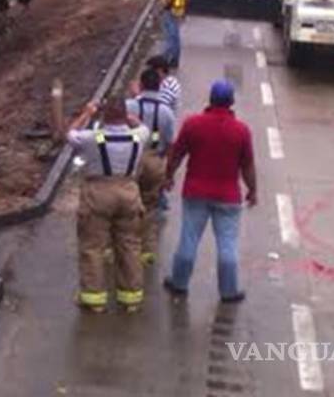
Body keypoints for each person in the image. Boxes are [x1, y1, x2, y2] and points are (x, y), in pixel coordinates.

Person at [163, 80, 257, 303]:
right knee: (227, 245)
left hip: (195, 192)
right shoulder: (241, 131)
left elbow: (176, 154)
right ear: (232, 102)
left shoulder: (193, 124)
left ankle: (179, 283)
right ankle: (228, 291)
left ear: (210, 99)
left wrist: (168, 176)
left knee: (189, 239)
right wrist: (253, 190)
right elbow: (247, 165)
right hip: (228, 197)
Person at [69, 97, 152, 313]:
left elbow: (70, 135)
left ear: (104, 116)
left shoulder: (91, 138)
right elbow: (143, 126)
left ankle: (94, 299)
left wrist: (87, 113)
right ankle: (131, 298)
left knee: (93, 247)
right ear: (125, 114)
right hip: (129, 193)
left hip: (98, 194)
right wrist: (130, 118)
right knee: (130, 245)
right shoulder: (139, 137)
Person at [128, 68, 177, 265]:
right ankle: (146, 250)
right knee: (149, 205)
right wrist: (169, 173)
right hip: (155, 160)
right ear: (159, 86)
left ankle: (122, 246)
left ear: (141, 84)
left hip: (131, 159)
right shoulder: (166, 112)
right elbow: (171, 143)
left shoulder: (129, 106)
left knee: (127, 206)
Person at [161, 0, 190, 69]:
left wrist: (163, 5)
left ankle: (164, 59)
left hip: (170, 11)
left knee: (169, 37)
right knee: (176, 37)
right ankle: (175, 60)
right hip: (179, 11)